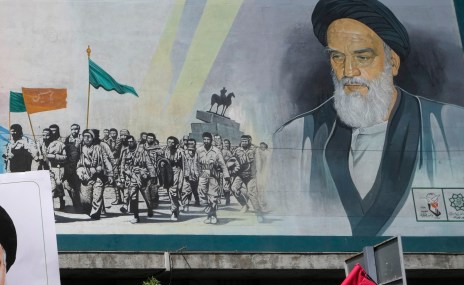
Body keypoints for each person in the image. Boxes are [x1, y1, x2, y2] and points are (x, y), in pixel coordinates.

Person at [272, 0, 464, 237]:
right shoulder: (295, 136)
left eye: (362, 57)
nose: (348, 71)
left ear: (392, 63)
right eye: (337, 57)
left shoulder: (452, 126)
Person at [76, 129, 114, 220]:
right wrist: (80, 172)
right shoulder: (81, 148)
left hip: (98, 176)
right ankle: (90, 211)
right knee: (85, 200)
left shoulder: (99, 148)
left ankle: (95, 214)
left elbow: (106, 161)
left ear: (92, 138)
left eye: (89, 137)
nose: (87, 138)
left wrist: (110, 174)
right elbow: (78, 164)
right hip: (86, 176)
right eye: (85, 136)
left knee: (97, 196)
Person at [197, 131, 228, 224]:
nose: (206, 141)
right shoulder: (199, 150)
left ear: (211, 140)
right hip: (203, 173)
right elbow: (196, 163)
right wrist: (197, 173)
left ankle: (212, 216)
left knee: (213, 196)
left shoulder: (216, 151)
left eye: (208, 139)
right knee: (201, 192)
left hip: (214, 174)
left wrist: (226, 176)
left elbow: (222, 164)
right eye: (204, 139)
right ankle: (209, 208)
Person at [62, 123, 83, 209]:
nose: (74, 131)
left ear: (79, 129)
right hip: (70, 164)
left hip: (79, 164)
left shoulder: (82, 138)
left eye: (76, 129)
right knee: (70, 185)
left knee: (78, 185)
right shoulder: (67, 139)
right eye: (72, 129)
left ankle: (79, 203)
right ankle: (75, 202)